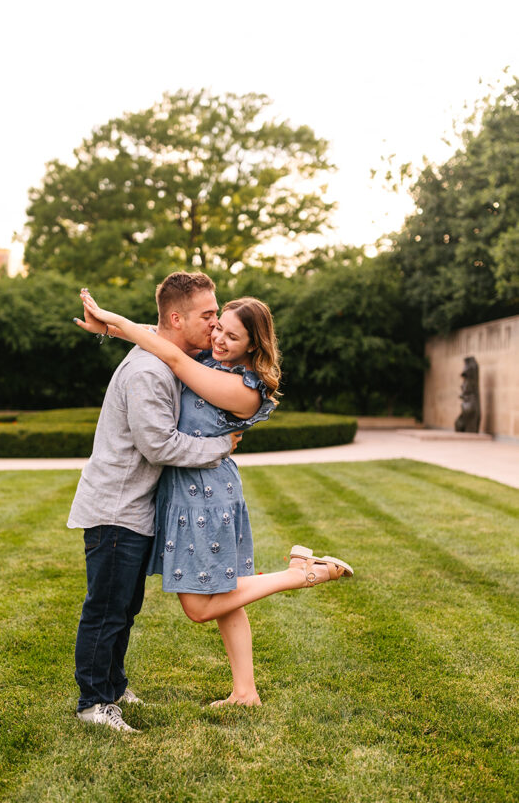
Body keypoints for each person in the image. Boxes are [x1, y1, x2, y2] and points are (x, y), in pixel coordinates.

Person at [78, 288, 353, 708]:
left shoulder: (242, 388)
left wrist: (115, 323)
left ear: (253, 346)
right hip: (190, 488)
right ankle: (245, 691)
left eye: (230, 335)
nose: (217, 337)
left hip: (204, 494)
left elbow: (171, 355)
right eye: (217, 326)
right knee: (226, 593)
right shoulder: (213, 359)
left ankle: (299, 575)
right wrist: (109, 326)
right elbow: (165, 333)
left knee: (200, 606)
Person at [68, 271, 242, 732]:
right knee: (107, 609)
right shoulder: (148, 371)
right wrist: (221, 446)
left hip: (135, 508)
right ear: (178, 319)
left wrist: (111, 325)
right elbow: (159, 446)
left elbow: (152, 328)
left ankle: (113, 684)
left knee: (125, 608)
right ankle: (93, 703)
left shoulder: (162, 352)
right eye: (208, 315)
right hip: (116, 509)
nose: (216, 324)